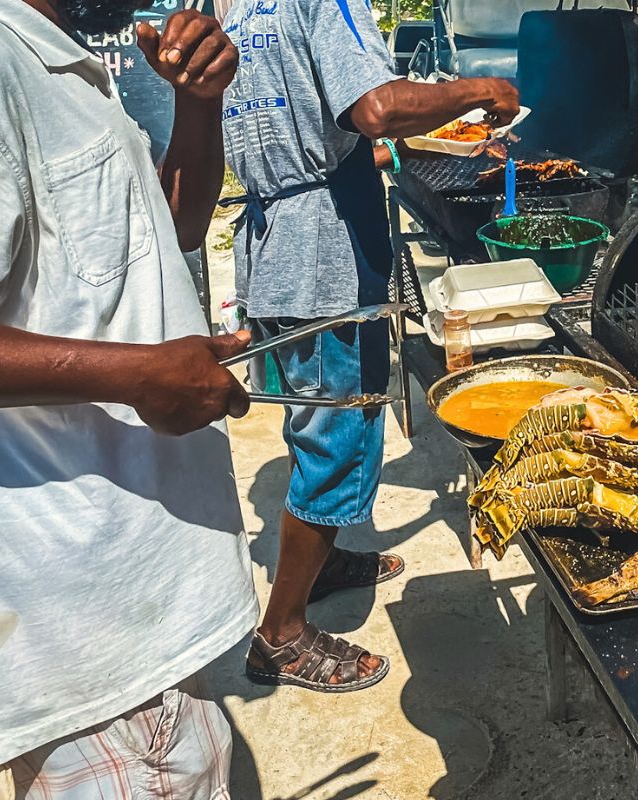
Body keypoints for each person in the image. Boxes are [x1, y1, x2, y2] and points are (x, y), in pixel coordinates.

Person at [0, 0, 258, 795]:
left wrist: (197, 104)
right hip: (74, 629)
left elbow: (171, 226)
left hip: (137, 606)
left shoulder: (55, 60)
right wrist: (136, 375)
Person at [220, 0, 519, 692]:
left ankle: (319, 563)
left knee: (312, 420)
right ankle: (281, 636)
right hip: (322, 248)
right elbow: (378, 107)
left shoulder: (237, 8)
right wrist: (483, 91)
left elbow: (317, 120)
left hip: (276, 237)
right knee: (338, 435)